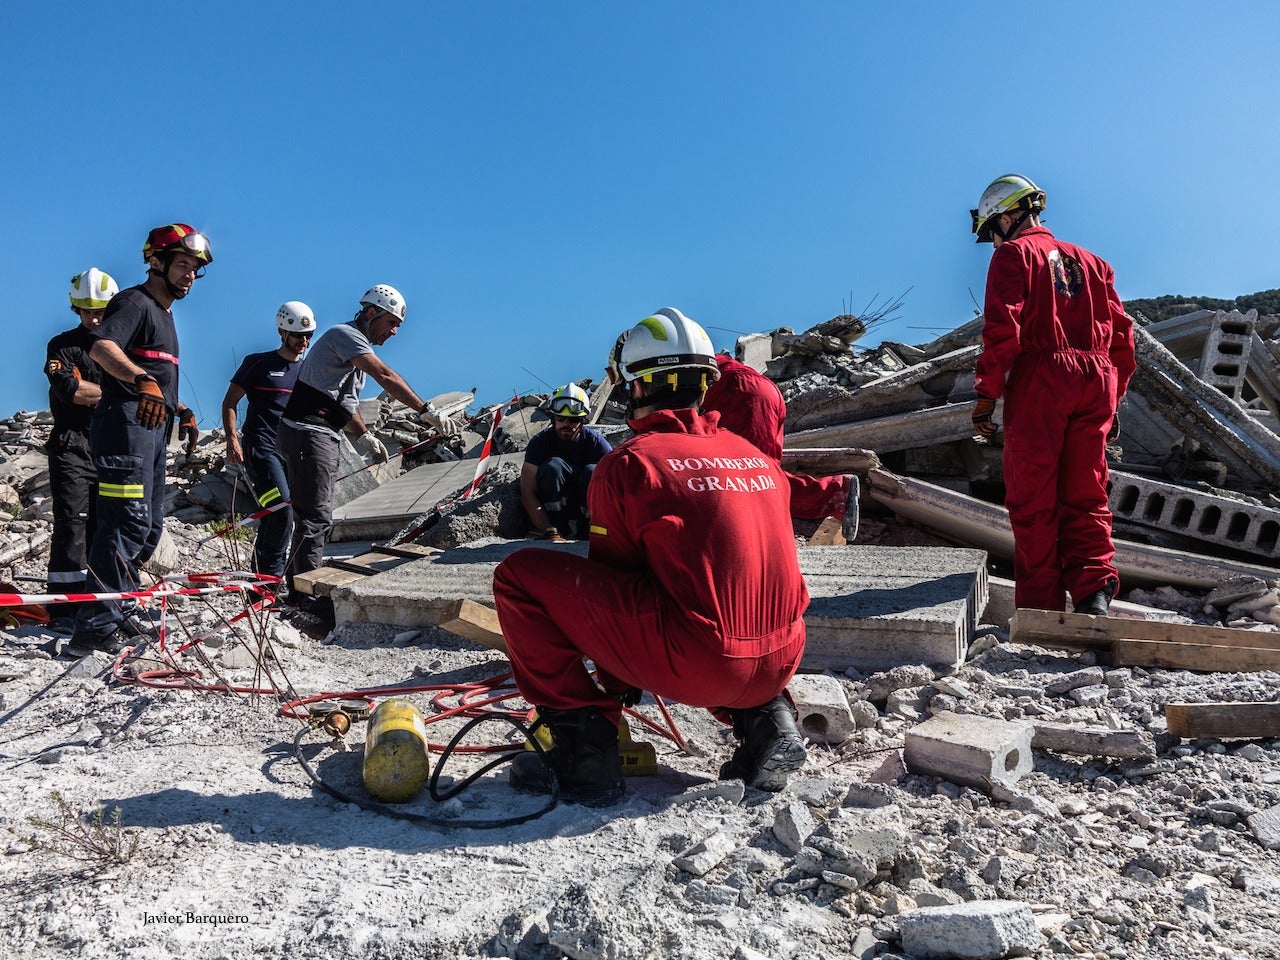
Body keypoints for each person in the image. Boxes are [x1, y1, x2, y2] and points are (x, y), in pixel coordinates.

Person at [493, 308, 810, 806]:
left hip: (702, 663)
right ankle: (768, 725)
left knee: (518, 576)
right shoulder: (757, 460)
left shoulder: (630, 464)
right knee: (731, 588)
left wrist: (616, 687)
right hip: (780, 661)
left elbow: (613, 585)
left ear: (634, 388)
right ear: (706, 384)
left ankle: (584, 752)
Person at [969, 174, 1135, 615]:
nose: (993, 241)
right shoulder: (1096, 264)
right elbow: (1123, 339)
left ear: (1007, 216)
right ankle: (1093, 595)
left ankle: (1041, 612)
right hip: (1097, 379)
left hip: (1043, 379)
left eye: (992, 229)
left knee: (1033, 499)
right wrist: (1113, 398)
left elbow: (1002, 331)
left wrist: (987, 395)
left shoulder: (1013, 255)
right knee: (1087, 493)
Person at [72, 224, 213, 654]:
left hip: (152, 431)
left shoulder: (165, 314)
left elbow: (160, 376)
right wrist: (141, 379)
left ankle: (122, 607)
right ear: (157, 262)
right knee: (124, 522)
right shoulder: (135, 301)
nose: (189, 274)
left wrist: (181, 409)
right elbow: (101, 348)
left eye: (195, 268)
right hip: (125, 429)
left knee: (148, 527)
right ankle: (94, 629)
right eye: (182, 264)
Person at [277, 284, 459, 609]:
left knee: (314, 514)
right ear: (371, 312)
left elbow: (345, 404)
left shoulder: (351, 352)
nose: (394, 332)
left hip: (317, 431)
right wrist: (425, 411)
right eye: (391, 323)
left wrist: (364, 436)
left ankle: (299, 589)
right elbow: (386, 376)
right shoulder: (345, 336)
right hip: (309, 431)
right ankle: (305, 597)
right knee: (316, 516)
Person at [701, 348, 859, 540]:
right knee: (759, 476)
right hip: (755, 389)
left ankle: (834, 493)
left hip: (739, 391)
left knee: (749, 481)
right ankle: (836, 493)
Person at [42, 268, 116, 630]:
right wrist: (122, 394)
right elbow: (73, 391)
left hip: (111, 446)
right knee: (71, 524)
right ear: (77, 309)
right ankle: (63, 609)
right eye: (87, 311)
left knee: (107, 526)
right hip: (72, 444)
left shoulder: (122, 347)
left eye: (100, 310)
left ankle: (101, 602)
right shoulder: (62, 346)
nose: (95, 318)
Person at [220, 301, 315, 579]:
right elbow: (230, 402)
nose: (304, 341)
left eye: (309, 336)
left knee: (288, 516)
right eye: (298, 335)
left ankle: (269, 579)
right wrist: (231, 440)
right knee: (279, 511)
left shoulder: (309, 371)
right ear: (282, 332)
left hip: (293, 453)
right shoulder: (258, 363)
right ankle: (268, 583)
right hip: (260, 450)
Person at [520, 383, 612, 540]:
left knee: (593, 471)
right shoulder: (539, 443)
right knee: (553, 467)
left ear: (582, 420)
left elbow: (614, 488)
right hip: (555, 515)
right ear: (553, 418)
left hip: (590, 515)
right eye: (561, 418)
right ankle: (558, 528)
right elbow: (528, 493)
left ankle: (589, 530)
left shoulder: (597, 444)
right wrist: (548, 529)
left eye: (573, 420)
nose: (566, 424)